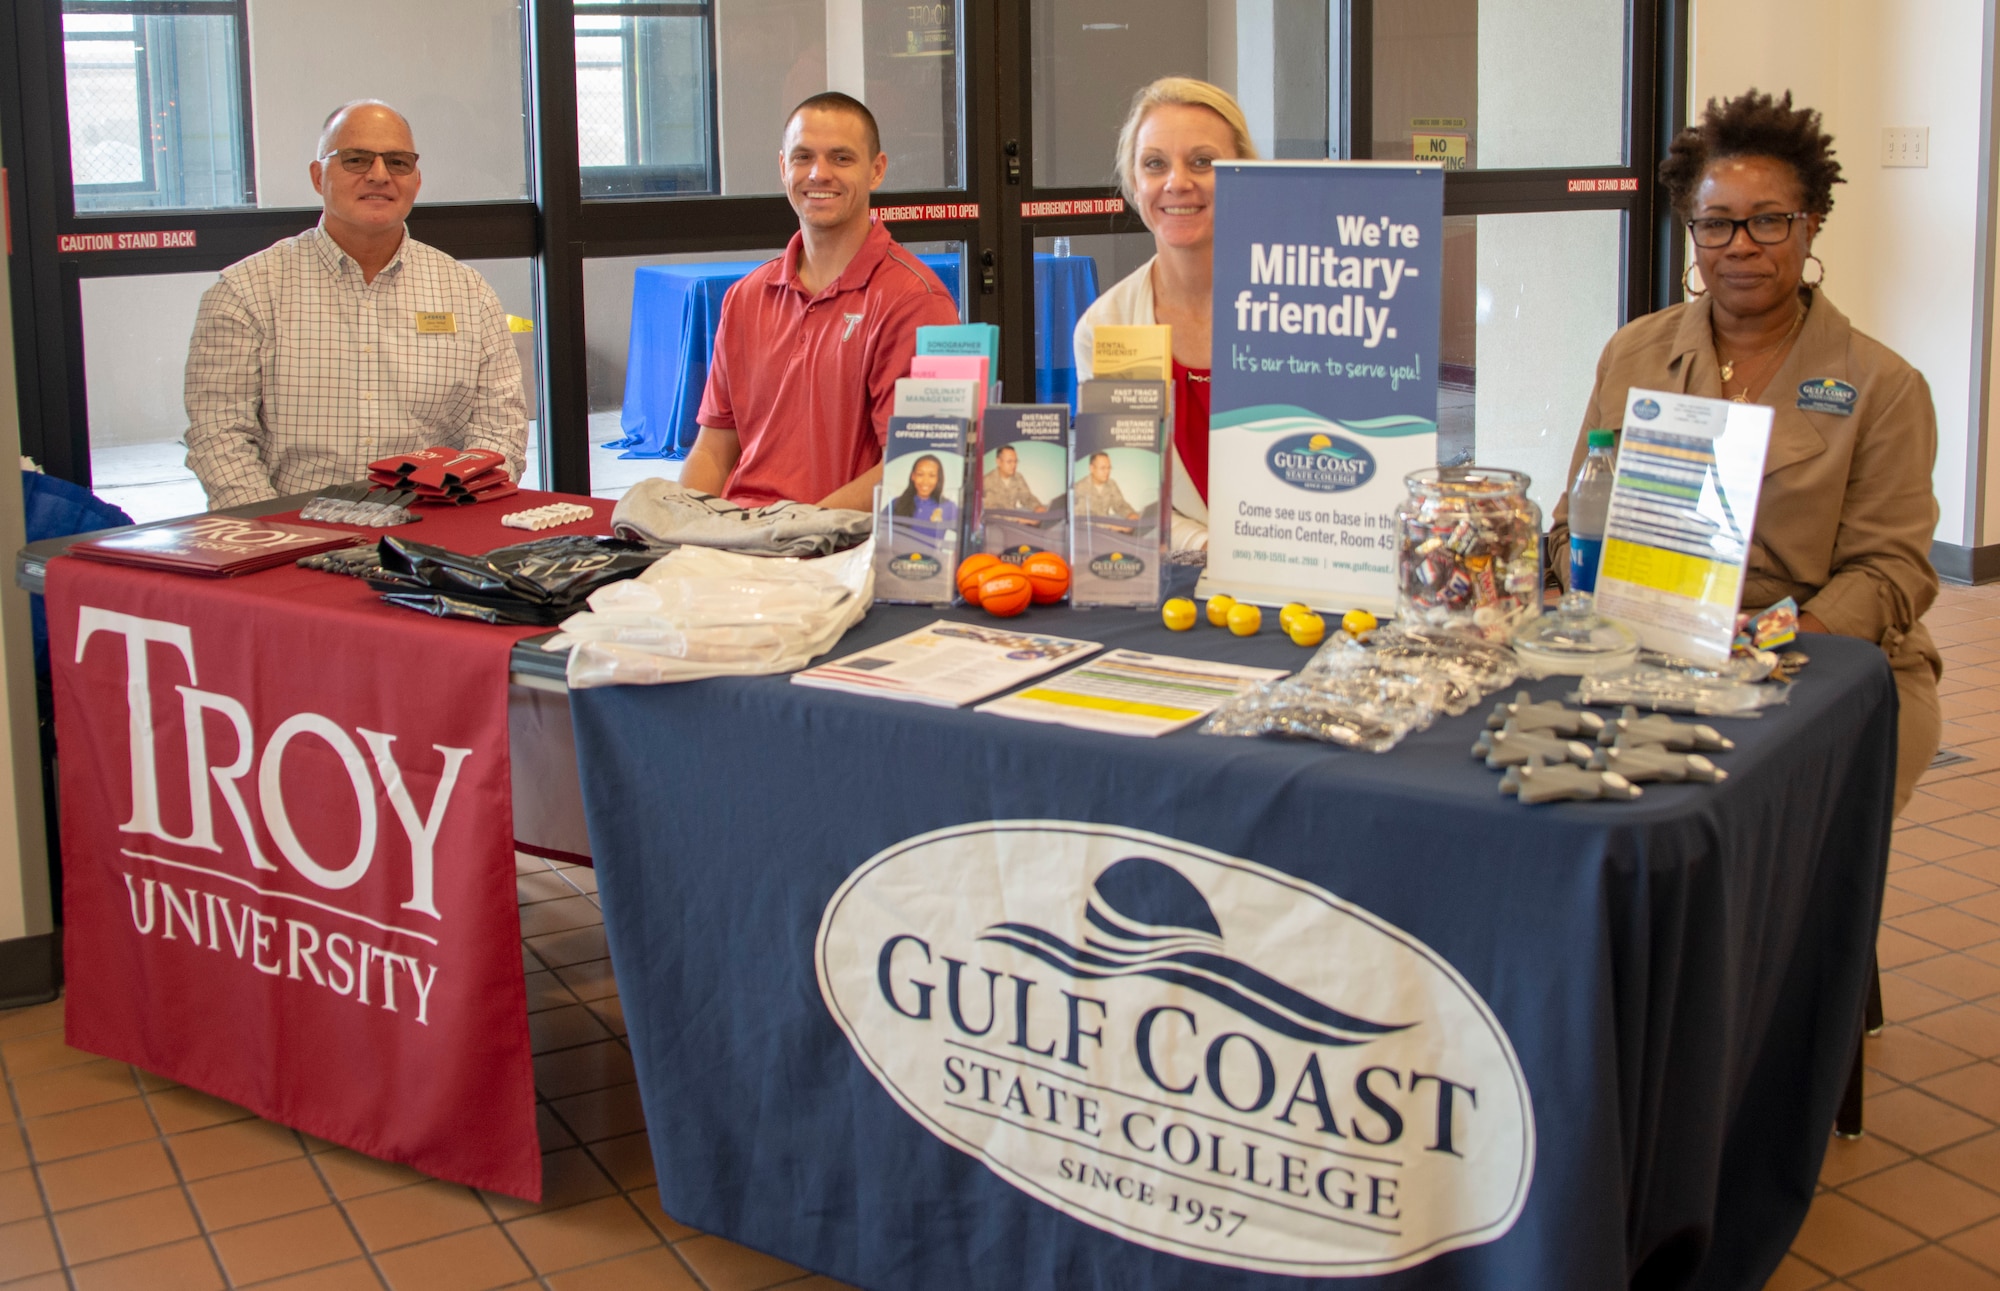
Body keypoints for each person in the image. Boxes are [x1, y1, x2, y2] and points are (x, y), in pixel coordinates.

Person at [1548, 90, 1941, 814]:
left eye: (1768, 221)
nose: (1742, 245)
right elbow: (1577, 518)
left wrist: (1760, 637)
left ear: (1811, 224)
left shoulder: (1883, 385)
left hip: (1821, 660)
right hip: (1645, 643)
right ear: (1692, 232)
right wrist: (1585, 583)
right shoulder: (1632, 353)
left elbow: (1891, 575)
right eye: (1718, 224)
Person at [184, 101, 526, 509]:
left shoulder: (468, 292)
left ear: (416, 180)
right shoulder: (246, 292)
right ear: (318, 176)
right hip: (295, 529)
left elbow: (500, 427)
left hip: (434, 529)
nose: (379, 175)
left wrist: (460, 513)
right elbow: (219, 434)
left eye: (397, 162)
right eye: (356, 159)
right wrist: (274, 531)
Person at [684, 92, 961, 511]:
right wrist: (679, 529)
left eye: (842, 158)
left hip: (838, 550)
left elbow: (914, 467)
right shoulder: (744, 298)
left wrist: (792, 533)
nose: (818, 173)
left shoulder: (917, 303)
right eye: (802, 157)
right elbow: (712, 450)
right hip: (741, 542)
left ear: (877, 171)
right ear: (783, 168)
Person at [1072, 78, 1258, 555]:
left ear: (1243, 174)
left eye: (1203, 161)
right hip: (1182, 576)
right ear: (1136, 183)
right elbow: (1127, 496)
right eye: (1155, 163)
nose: (1177, 181)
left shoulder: (1304, 308)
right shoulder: (1105, 328)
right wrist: (1214, 549)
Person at [892, 453, 956, 542]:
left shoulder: (948, 506)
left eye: (932, 476)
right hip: (900, 556)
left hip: (932, 556)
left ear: (938, 479)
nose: (925, 481)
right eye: (920, 474)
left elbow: (968, 535)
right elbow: (879, 534)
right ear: (913, 476)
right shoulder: (896, 503)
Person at [1074, 452, 1141, 524]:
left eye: (1109, 468)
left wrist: (1130, 514)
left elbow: (1120, 504)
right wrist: (1113, 527)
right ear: (1092, 468)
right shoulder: (1079, 488)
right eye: (1103, 468)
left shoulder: (1111, 484)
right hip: (1088, 530)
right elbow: (1083, 519)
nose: (1107, 471)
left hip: (1106, 525)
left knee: (1139, 517)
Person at [982, 444, 1046, 512]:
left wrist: (1037, 507)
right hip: (997, 520)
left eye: (1015, 461)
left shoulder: (1018, 477)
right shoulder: (986, 482)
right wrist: (1020, 520)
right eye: (1009, 462)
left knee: (1045, 509)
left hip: (1014, 516)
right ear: (998, 462)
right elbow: (992, 513)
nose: (1014, 465)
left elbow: (1027, 498)